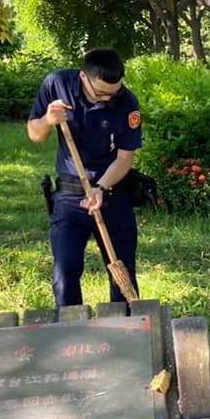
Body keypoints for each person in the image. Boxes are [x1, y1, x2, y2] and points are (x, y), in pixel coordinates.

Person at [27, 48, 142, 313]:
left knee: (122, 268)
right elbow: (35, 134)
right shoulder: (57, 84)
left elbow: (125, 158)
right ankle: (70, 331)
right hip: (69, 195)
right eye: (100, 93)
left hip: (112, 193)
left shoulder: (126, 102)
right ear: (83, 77)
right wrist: (48, 119)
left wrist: (101, 188)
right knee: (65, 270)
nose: (107, 98)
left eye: (113, 92)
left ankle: (123, 327)